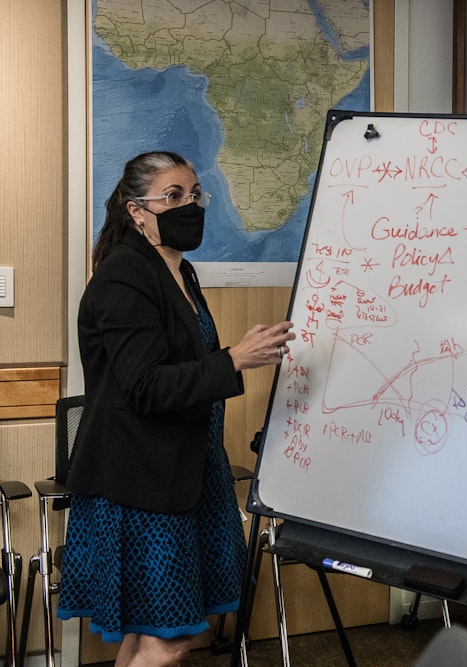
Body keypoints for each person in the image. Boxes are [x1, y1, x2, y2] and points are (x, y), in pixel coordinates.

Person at [57, 151, 295, 666]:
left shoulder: (180, 274)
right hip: (143, 483)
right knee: (169, 637)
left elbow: (183, 366)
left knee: (150, 633)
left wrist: (234, 357)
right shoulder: (124, 277)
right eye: (173, 196)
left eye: (194, 194)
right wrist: (234, 358)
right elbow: (143, 386)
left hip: (185, 470)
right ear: (136, 211)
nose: (190, 204)